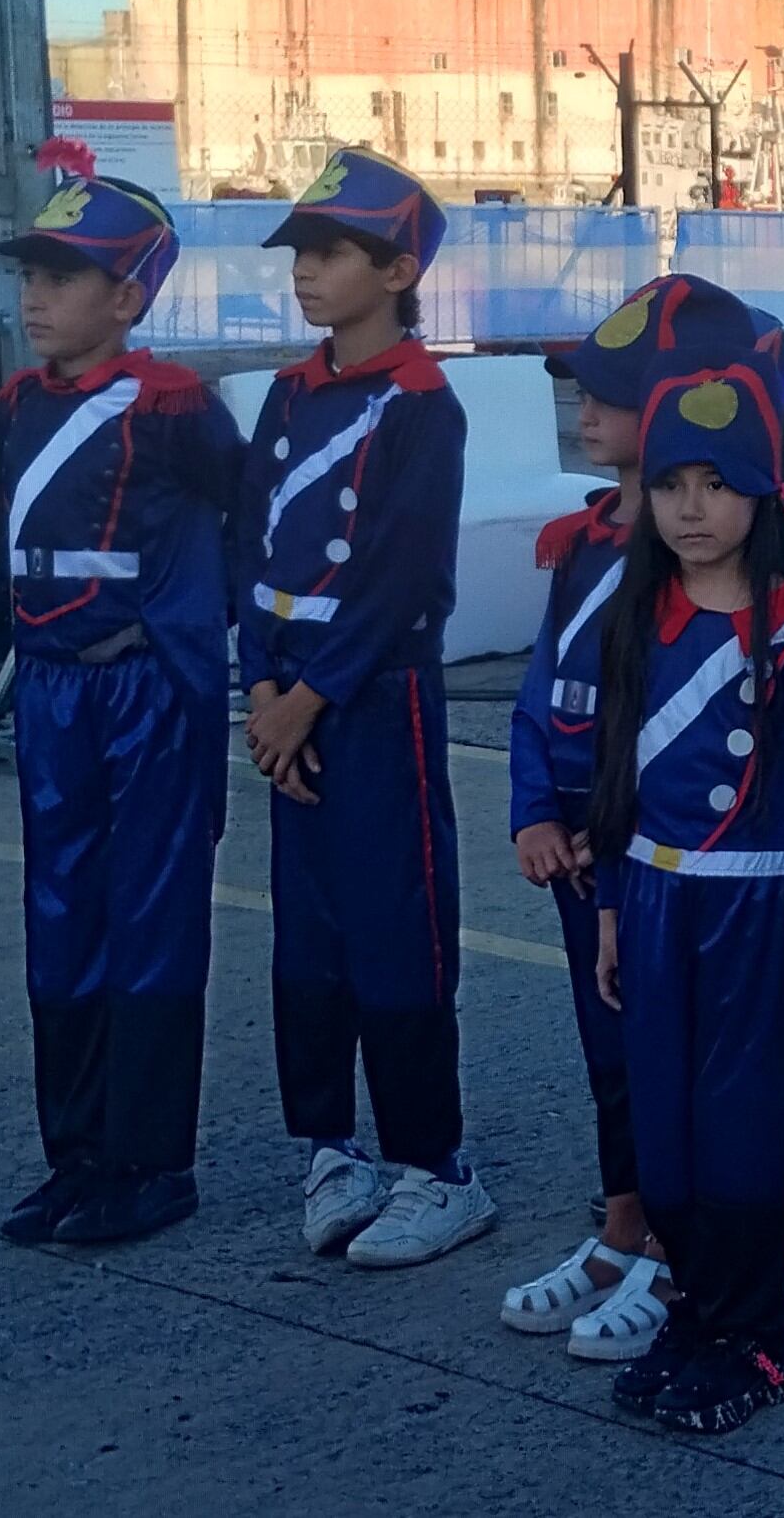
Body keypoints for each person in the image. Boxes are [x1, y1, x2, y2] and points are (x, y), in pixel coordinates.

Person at [235, 146, 496, 1267]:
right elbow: (247, 542)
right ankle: (330, 1143)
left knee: (399, 929)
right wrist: (260, 687)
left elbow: (399, 577)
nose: (306, 271)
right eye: (301, 250)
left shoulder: (421, 405)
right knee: (311, 934)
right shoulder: (290, 395)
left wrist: (310, 698)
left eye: (331, 251)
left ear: (396, 269)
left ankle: (436, 1165)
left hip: (370, 690)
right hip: (288, 681)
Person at [498, 275, 761, 1360]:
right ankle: (622, 1220)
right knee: (611, 1048)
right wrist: (527, 809)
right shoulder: (586, 537)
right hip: (570, 841)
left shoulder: (708, 551)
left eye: (607, 391)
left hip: (654, 845)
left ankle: (674, 1247)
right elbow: (537, 685)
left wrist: (613, 826)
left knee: (675, 1058)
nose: (583, 408)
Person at [587, 325, 784, 1433]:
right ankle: (693, 1312)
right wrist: (607, 904)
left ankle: (755, 1334)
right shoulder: (637, 616)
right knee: (666, 1128)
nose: (690, 508)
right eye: (669, 483)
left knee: (739, 1125)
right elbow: (613, 774)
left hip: (751, 896)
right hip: (650, 892)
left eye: (717, 483)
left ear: (762, 491)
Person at [0, 141, 242, 1246]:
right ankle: (78, 1153)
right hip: (48, 695)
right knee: (61, 918)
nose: (37, 297)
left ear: (129, 295)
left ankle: (151, 1161)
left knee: (147, 920)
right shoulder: (15, 401)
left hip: (140, 692)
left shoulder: (175, 406)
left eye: (64, 277)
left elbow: (257, 518)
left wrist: (183, 623)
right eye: (31, 275)